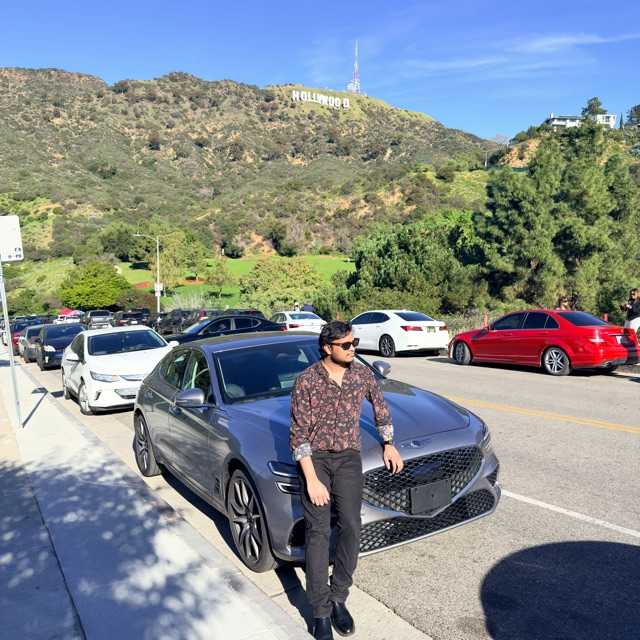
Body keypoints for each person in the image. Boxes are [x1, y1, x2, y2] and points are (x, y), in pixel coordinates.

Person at [290, 321, 404, 640]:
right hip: (316, 460)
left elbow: (381, 408)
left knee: (352, 525)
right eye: (346, 345)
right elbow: (298, 434)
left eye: (354, 343)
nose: (352, 349)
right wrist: (312, 480)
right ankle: (320, 612)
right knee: (318, 533)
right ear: (327, 348)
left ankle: (339, 596)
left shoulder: (362, 374)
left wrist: (388, 443)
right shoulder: (307, 381)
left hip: (348, 459)